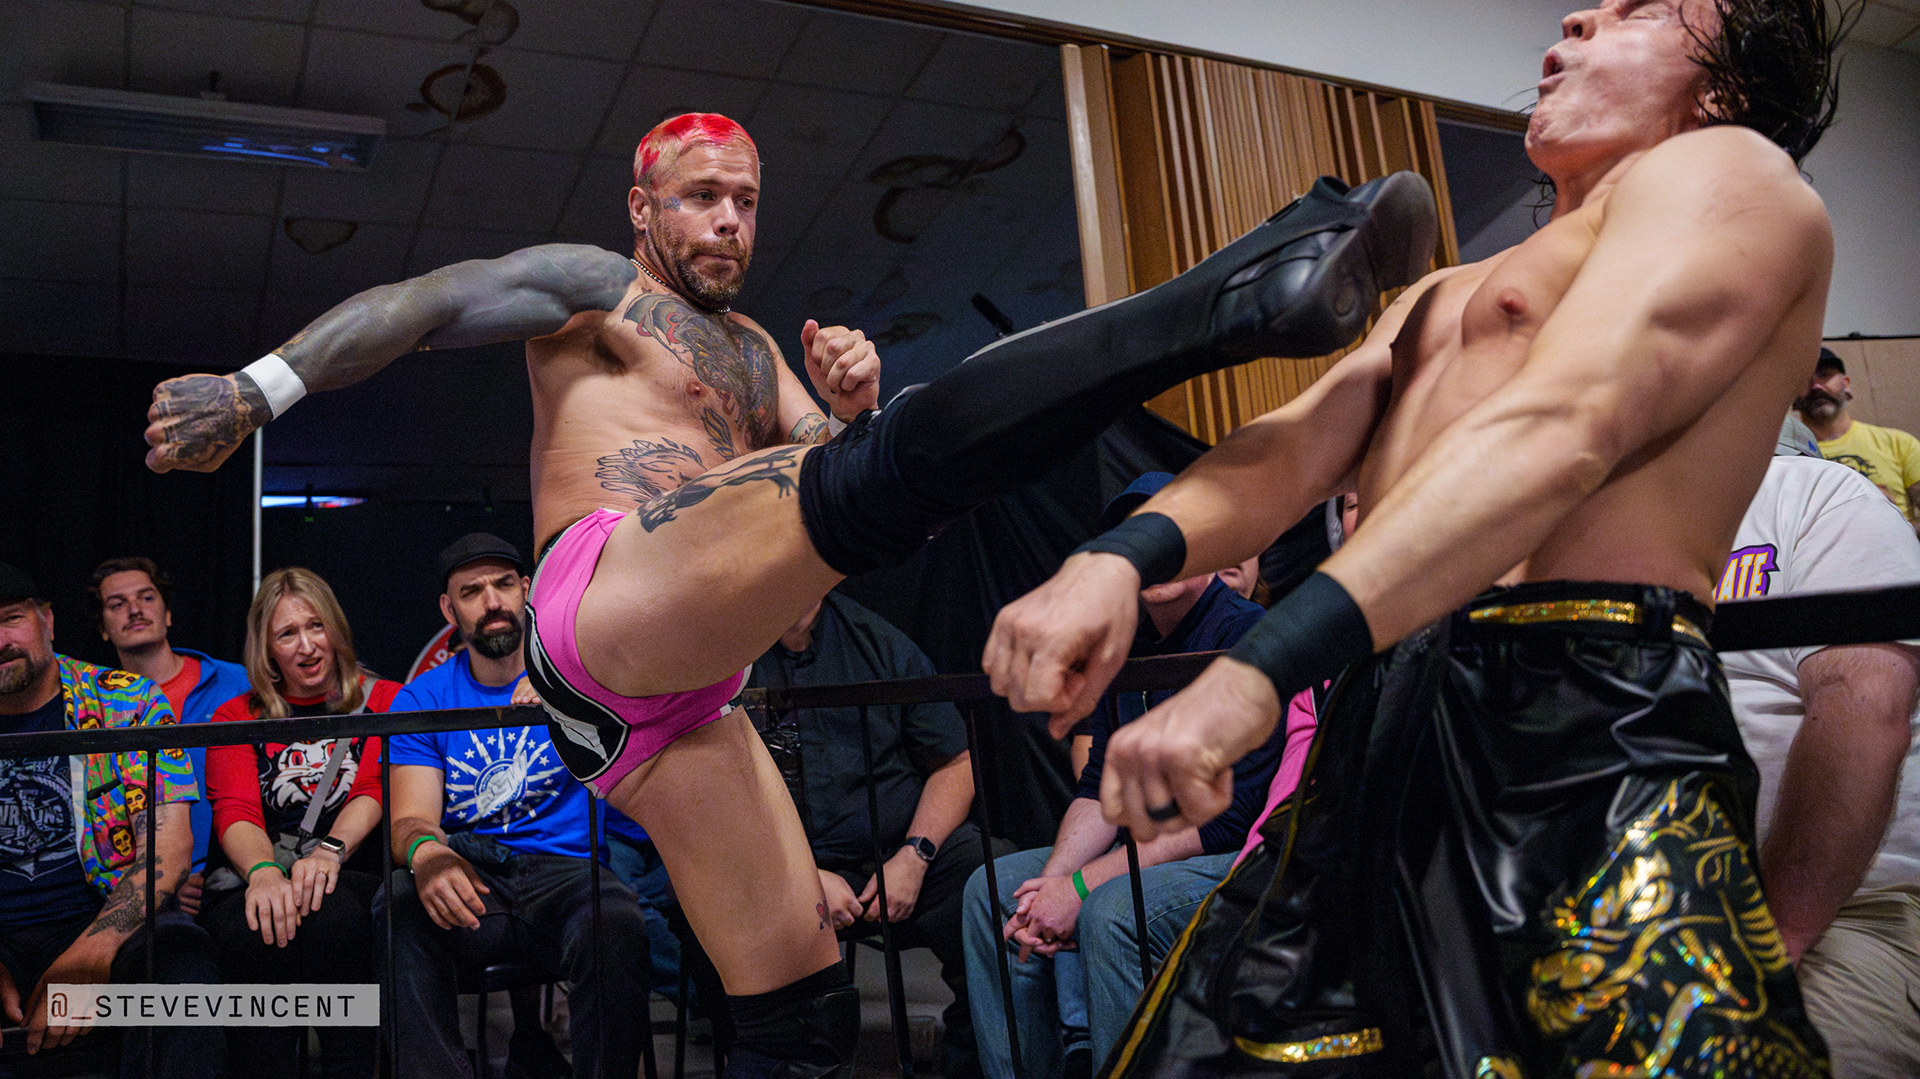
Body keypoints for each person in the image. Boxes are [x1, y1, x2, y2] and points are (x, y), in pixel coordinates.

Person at [143, 107, 1435, 1076]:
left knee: (803, 1003)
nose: (729, 223)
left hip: (679, 704)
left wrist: (856, 407)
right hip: (601, 601)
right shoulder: (596, 291)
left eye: (747, 202)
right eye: (702, 197)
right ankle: (1253, 284)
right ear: (644, 205)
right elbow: (424, 302)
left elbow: (850, 495)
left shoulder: (760, 354)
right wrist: (257, 391)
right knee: (881, 468)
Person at [985, 0, 1849, 1076]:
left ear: (1724, 91)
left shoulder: (1738, 176)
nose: (1577, 18)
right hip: (1382, 718)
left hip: (1584, 723)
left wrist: (1259, 665)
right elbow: (1291, 449)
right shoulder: (1446, 290)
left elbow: (1565, 424)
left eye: (1640, 12)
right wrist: (1118, 556)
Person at [964, 474, 1281, 1079]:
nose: (1158, 559)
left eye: (1171, 538)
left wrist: (1081, 889)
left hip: (1237, 852)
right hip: (1148, 846)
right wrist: (1053, 883)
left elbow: (1230, 821)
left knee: (1112, 911)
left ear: (1206, 545)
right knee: (992, 892)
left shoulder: (1246, 633)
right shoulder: (1125, 644)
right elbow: (1098, 791)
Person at [376, 533, 653, 1079]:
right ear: (449, 609)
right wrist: (428, 854)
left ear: (528, 590)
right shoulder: (424, 698)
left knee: (616, 920)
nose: (492, 601)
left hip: (569, 875)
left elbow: (640, 764)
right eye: (471, 591)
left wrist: (563, 695)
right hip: (476, 877)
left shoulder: (580, 677)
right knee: (399, 906)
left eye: (504, 584)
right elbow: (410, 818)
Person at [1717, 416, 1920, 1078]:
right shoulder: (1597, 535)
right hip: (1639, 906)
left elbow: (1863, 709)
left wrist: (1775, 940)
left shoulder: (1815, 494)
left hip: (1836, 909)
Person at [748, 590, 1003, 1079]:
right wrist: (801, 875)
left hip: (893, 857)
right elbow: (705, 795)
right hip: (773, 862)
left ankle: (976, 1063)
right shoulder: (722, 653)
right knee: (707, 896)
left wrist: (914, 855)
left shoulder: (881, 645)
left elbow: (955, 762)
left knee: (986, 871)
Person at [0, 561, 219, 1079]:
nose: (1, 641)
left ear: (47, 621)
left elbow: (169, 848)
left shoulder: (127, 699)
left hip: (103, 915)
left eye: (11, 619)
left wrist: (93, 952)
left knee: (182, 968)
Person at [199, 567, 399, 1079]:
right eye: (287, 634)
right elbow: (235, 809)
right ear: (267, 649)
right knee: (256, 926)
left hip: (350, 865)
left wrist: (330, 851)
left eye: (316, 626)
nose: (307, 646)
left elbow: (373, 787)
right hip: (261, 864)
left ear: (336, 629)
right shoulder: (235, 716)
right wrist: (264, 873)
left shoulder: (386, 700)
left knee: (336, 918)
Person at [89, 556, 252, 916]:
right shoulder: (93, 710)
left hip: (238, 880)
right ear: (103, 628)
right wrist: (162, 885)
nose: (135, 610)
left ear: (168, 614)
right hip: (142, 894)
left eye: (147, 598)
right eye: (117, 604)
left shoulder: (237, 683)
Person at [1794, 346, 1920, 528]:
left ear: (1846, 384)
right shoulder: (1780, 458)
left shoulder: (1898, 443)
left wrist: (1898, 526)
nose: (1816, 386)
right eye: (1805, 379)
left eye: (1824, 375)